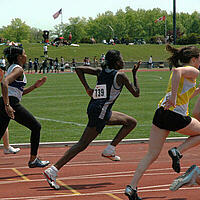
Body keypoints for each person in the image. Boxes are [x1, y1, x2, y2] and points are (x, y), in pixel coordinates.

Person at [43, 50, 142, 190]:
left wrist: (87, 88)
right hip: (100, 112)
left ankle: (110, 149)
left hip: (97, 109)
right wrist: (134, 74)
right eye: (122, 59)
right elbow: (136, 93)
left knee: (131, 122)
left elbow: (78, 69)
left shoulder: (100, 71)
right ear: (116, 62)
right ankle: (52, 170)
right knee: (82, 144)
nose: (123, 61)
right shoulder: (121, 76)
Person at [125, 44, 200, 200]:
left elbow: (185, 96)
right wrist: (173, 97)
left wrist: (196, 91)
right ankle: (177, 151)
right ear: (193, 59)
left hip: (161, 112)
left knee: (151, 154)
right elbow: (177, 71)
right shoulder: (193, 71)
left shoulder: (186, 76)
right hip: (175, 115)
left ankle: (131, 187)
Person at [0, 45, 49, 168]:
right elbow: (4, 83)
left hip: (5, 102)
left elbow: (18, 92)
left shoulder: (11, 68)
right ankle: (33, 160)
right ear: (19, 57)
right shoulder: (18, 69)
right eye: (25, 53)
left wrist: (34, 86)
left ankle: (33, 160)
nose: (26, 56)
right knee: (36, 127)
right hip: (10, 103)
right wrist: (8, 106)